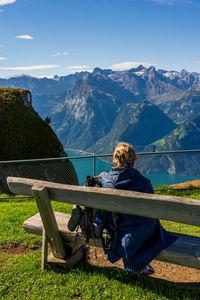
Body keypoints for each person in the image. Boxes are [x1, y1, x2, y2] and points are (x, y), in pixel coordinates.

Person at [100, 142, 177, 275]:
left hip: (116, 230)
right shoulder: (144, 183)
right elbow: (152, 212)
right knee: (153, 225)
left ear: (114, 160)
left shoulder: (105, 179)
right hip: (137, 235)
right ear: (133, 162)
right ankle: (139, 264)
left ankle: (139, 265)